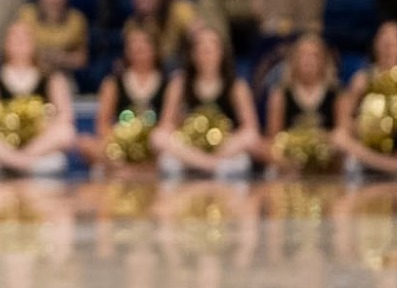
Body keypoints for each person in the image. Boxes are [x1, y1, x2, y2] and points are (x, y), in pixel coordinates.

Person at [0, 19, 76, 175]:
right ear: (5, 43)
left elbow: (65, 116)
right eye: (14, 37)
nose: (19, 42)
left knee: (66, 132)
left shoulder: (51, 78)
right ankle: (18, 162)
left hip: (39, 145)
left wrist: (42, 127)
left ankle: (18, 161)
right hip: (2, 144)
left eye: (24, 38)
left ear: (34, 43)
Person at [151, 25, 261, 177]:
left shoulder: (237, 86)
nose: (207, 52)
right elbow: (166, 125)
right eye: (202, 47)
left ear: (222, 52)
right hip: (189, 148)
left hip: (224, 148)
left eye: (212, 46)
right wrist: (185, 140)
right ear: (192, 54)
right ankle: (209, 165)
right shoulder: (179, 83)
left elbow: (250, 129)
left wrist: (224, 144)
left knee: (250, 138)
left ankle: (206, 164)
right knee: (158, 137)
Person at [331, 21, 397, 176]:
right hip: (370, 146)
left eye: (395, 39)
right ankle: (396, 168)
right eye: (384, 38)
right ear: (375, 44)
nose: (389, 43)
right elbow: (343, 122)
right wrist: (369, 122)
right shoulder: (363, 78)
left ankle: (383, 166)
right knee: (338, 138)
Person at [89, 26, 167, 170]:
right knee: (86, 144)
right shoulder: (113, 82)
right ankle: (130, 168)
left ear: (155, 47)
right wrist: (124, 141)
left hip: (155, 146)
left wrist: (147, 141)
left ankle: (131, 169)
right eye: (133, 43)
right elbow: (102, 124)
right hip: (121, 144)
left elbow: (170, 122)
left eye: (144, 42)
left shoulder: (169, 83)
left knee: (168, 146)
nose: (138, 47)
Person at [266, 33, 340, 175]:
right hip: (289, 157)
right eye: (303, 55)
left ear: (323, 60)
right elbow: (273, 138)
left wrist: (318, 143)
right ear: (294, 60)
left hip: (327, 157)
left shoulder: (336, 94)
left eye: (313, 55)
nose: (308, 61)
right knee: (267, 149)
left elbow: (342, 133)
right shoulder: (280, 94)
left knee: (342, 142)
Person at [15, 0, 88, 75]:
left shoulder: (77, 20)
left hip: (64, 73)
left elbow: (82, 59)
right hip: (31, 72)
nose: (52, 1)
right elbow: (15, 51)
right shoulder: (27, 15)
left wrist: (60, 59)